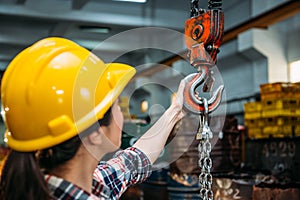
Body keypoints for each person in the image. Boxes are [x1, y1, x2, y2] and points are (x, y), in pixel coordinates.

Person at [0, 37, 185, 200]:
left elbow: (134, 160)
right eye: (117, 106)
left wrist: (177, 108)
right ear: (95, 133)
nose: (121, 115)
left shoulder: (77, 183)